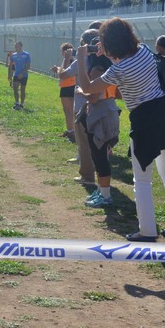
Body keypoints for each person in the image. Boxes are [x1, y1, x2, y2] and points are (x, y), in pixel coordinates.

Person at [77, 17, 165, 242]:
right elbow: (124, 58)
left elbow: (87, 87)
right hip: (163, 110)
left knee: (143, 180)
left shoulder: (119, 71)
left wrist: (80, 59)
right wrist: (107, 52)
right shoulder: (144, 50)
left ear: (108, 43)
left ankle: (147, 231)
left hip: (144, 121)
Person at [55, 29, 99, 187]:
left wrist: (67, 58)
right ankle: (103, 179)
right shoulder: (105, 60)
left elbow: (63, 75)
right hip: (101, 105)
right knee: (98, 142)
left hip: (82, 104)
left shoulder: (81, 60)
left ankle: (87, 175)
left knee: (84, 142)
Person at [80, 50, 120, 208]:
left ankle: (105, 195)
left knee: (99, 156)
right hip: (109, 111)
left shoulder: (97, 70)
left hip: (101, 115)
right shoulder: (111, 68)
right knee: (101, 155)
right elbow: (118, 93)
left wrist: (81, 91)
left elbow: (94, 97)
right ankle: (101, 190)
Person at [52, 43, 76, 143]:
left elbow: (63, 72)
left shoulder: (70, 61)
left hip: (70, 86)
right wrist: (57, 69)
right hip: (66, 86)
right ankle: (70, 130)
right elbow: (62, 71)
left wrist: (65, 59)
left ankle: (74, 131)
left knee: (72, 110)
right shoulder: (69, 61)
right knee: (68, 110)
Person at [10, 41, 31, 110]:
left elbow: (28, 66)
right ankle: (17, 103)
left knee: (22, 90)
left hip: (24, 75)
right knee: (15, 88)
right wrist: (10, 75)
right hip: (16, 74)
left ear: (21, 46)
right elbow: (11, 65)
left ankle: (22, 103)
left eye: (17, 46)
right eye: (15, 46)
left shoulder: (26, 54)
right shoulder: (13, 55)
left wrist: (22, 73)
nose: (16, 48)